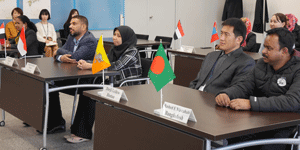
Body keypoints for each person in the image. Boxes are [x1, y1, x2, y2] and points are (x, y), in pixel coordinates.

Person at [215, 27, 300, 150]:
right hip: (260, 121)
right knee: (232, 137)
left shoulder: (298, 69)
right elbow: (245, 86)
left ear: (284, 51)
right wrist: (227, 93)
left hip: (286, 126)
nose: (263, 51)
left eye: (269, 48)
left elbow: (292, 101)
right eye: (264, 46)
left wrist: (252, 103)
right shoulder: (261, 64)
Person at [64, 25, 142, 143]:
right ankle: (77, 129)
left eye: (119, 36)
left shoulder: (132, 51)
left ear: (126, 38)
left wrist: (91, 66)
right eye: (114, 34)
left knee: (94, 92)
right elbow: (102, 62)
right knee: (86, 88)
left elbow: (115, 66)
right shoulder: (114, 49)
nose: (114, 38)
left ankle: (83, 134)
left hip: (127, 87)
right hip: (114, 82)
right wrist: (87, 62)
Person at [39, 15, 97, 135]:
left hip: (84, 80)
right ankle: (56, 124)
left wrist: (60, 52)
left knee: (51, 84)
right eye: (70, 23)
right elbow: (57, 54)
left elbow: (74, 57)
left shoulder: (90, 40)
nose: (70, 26)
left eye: (74, 23)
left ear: (83, 26)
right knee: (47, 84)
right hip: (70, 76)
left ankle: (77, 130)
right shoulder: (72, 37)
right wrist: (61, 56)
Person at [189, 18, 255, 95]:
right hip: (196, 97)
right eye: (221, 33)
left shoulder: (246, 62)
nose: (221, 38)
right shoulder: (211, 56)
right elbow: (196, 81)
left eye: (226, 34)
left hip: (214, 101)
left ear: (239, 39)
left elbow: (237, 90)